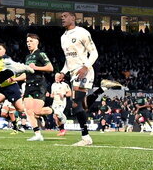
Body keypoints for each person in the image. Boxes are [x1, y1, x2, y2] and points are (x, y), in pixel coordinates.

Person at [60, 10, 98, 147]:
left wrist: (86, 67)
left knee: (76, 103)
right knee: (81, 105)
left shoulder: (82, 32)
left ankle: (86, 137)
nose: (62, 18)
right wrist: (63, 72)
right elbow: (68, 59)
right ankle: (101, 90)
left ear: (73, 18)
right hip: (72, 73)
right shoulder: (63, 37)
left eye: (65, 16)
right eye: (61, 17)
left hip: (83, 71)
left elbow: (94, 52)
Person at [16, 33, 53, 141]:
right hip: (29, 84)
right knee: (28, 111)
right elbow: (26, 74)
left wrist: (36, 67)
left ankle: (55, 111)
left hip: (39, 84)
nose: (28, 43)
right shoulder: (27, 57)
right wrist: (15, 79)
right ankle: (37, 134)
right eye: (27, 41)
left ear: (37, 42)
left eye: (31, 41)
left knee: (36, 112)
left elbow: (50, 68)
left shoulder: (40, 54)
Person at [50, 72, 73, 137]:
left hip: (61, 103)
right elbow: (52, 95)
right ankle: (62, 130)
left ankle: (63, 119)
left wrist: (64, 95)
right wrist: (50, 95)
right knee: (55, 117)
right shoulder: (53, 85)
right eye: (55, 77)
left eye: (58, 77)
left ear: (61, 78)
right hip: (54, 102)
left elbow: (70, 94)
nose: (56, 78)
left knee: (58, 114)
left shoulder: (65, 85)